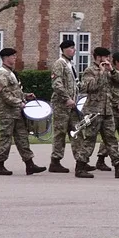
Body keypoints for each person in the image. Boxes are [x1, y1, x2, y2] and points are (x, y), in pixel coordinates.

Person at [73, 47, 119, 179]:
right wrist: (100, 73)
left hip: (107, 110)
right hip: (93, 110)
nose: (107, 59)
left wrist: (111, 70)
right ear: (98, 57)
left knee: (111, 139)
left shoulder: (109, 71)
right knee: (90, 139)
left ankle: (118, 167)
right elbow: (88, 88)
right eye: (104, 57)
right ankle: (80, 166)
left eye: (108, 57)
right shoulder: (90, 71)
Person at [0, 47, 46, 176]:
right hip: (7, 113)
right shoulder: (2, 74)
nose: (15, 58)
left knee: (22, 138)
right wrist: (19, 103)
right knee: (5, 138)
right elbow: (3, 93)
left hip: (16, 112)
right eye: (13, 56)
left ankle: (30, 164)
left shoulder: (11, 73)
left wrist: (26, 96)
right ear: (6, 58)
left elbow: (15, 92)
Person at [48, 39, 81, 173]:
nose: (73, 50)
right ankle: (55, 161)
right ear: (64, 50)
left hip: (72, 105)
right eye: (71, 48)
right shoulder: (59, 64)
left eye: (74, 48)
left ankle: (81, 159)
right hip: (62, 105)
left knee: (77, 131)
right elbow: (57, 84)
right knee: (60, 132)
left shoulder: (69, 64)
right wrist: (66, 98)